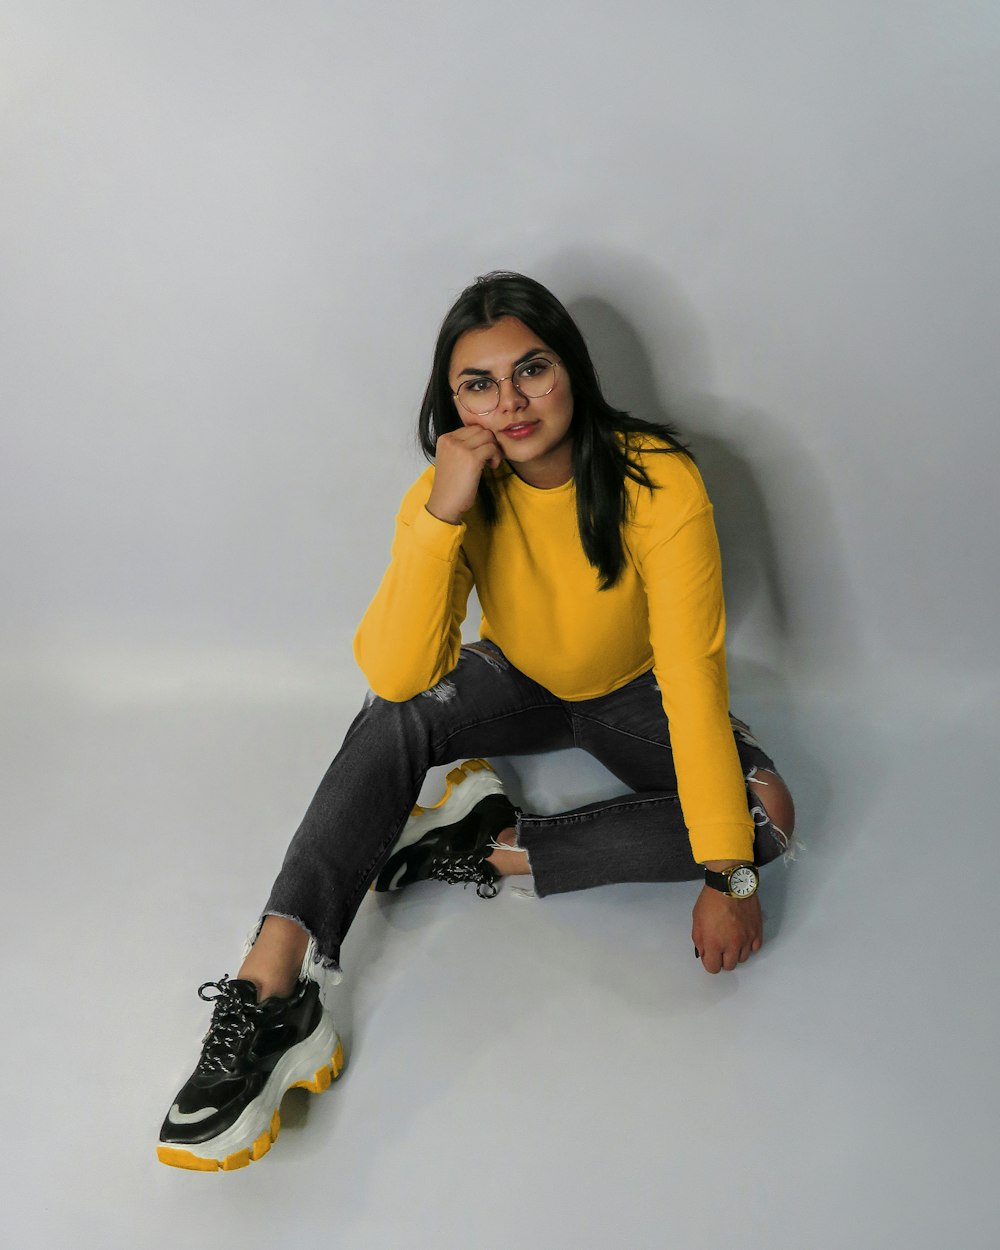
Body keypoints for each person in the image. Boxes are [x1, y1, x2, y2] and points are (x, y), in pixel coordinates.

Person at [156, 271, 795, 1172]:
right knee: (395, 718)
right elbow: (394, 673)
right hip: (518, 680)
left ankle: (491, 842)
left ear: (571, 368)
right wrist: (440, 511)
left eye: (532, 370)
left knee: (766, 818)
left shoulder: (659, 481)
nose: (512, 402)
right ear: (452, 400)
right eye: (479, 384)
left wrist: (728, 874)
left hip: (635, 695)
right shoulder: (458, 485)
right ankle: (274, 985)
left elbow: (693, 677)